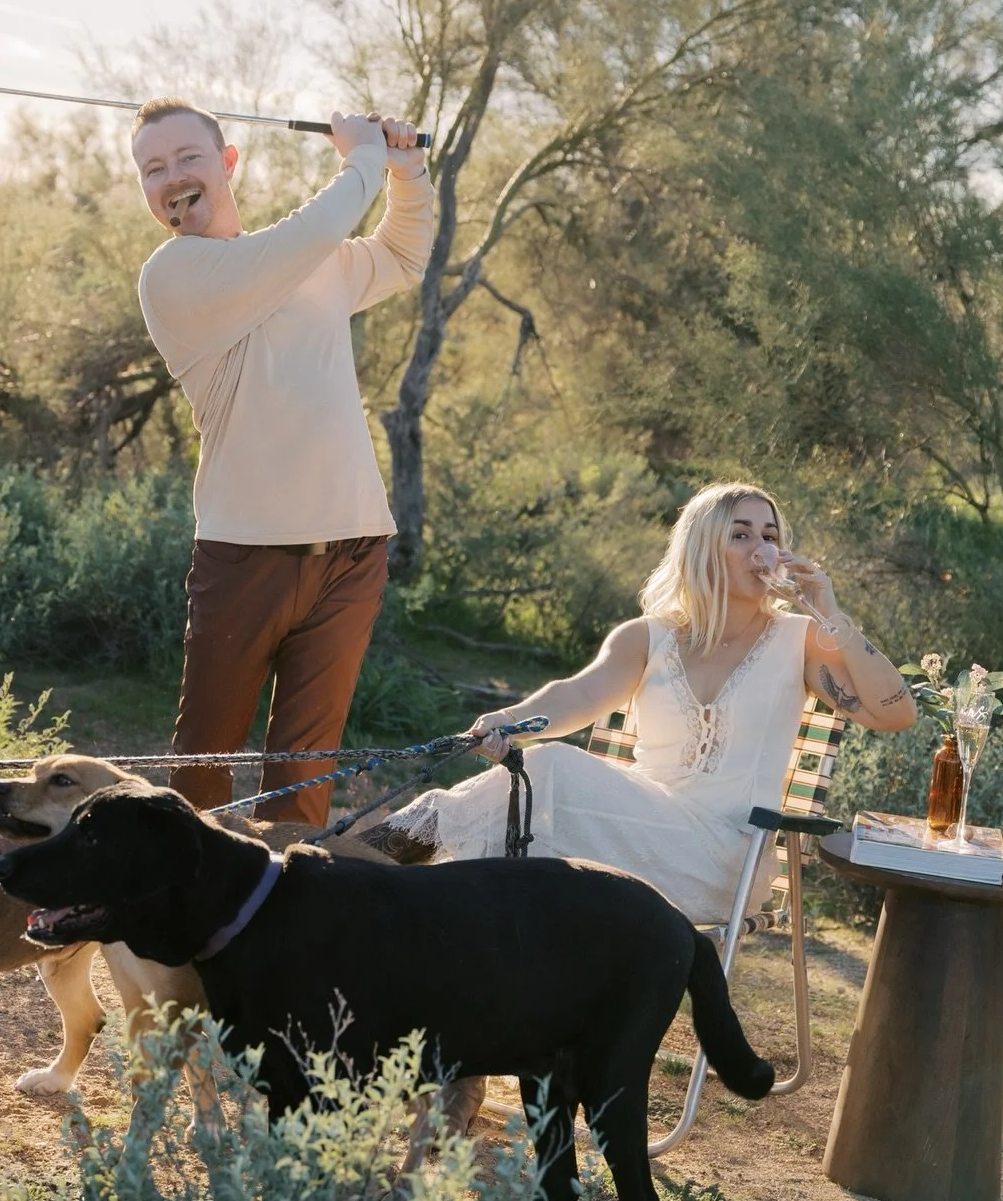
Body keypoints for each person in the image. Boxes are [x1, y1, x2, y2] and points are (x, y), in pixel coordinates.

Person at [363, 481, 917, 922]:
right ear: (703, 548)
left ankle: (367, 866)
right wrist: (507, 720)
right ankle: (415, 925)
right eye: (742, 535)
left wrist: (833, 614)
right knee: (523, 822)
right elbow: (579, 694)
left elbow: (898, 713)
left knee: (548, 770)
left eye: (770, 535)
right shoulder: (647, 636)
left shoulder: (803, 638)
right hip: (628, 832)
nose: (763, 549)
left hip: (723, 858)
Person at [133, 99, 433, 825]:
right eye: (153, 169)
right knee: (205, 759)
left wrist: (406, 168)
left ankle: (279, 923)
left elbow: (401, 255)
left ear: (228, 162)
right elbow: (314, 231)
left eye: (188, 158)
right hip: (246, 554)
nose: (172, 176)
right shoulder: (173, 276)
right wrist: (359, 154)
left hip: (353, 546)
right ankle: (181, 926)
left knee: (304, 772)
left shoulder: (308, 260)